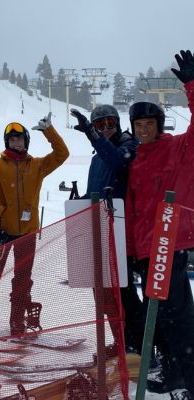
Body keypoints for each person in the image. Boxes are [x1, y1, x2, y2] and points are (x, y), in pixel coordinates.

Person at [125, 50, 194, 400]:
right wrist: (137, 254)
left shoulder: (178, 148)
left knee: (180, 320)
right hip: (149, 252)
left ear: (159, 125)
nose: (144, 131)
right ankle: (172, 372)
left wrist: (193, 86)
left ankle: (191, 379)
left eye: (149, 125)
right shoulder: (136, 162)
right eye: (138, 126)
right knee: (161, 320)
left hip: (173, 246)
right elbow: (136, 212)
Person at [0, 113, 69, 335]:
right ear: (7, 142)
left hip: (27, 234)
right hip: (1, 232)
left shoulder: (38, 165)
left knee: (22, 280)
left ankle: (17, 321)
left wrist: (49, 130)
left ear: (26, 141)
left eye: (19, 139)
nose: (16, 143)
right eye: (12, 140)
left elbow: (62, 154)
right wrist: (1, 210)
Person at [70, 105, 143, 355]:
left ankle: (138, 343)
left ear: (118, 123)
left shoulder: (129, 146)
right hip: (99, 226)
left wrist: (93, 136)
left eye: (109, 123)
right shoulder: (96, 157)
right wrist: (83, 202)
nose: (105, 129)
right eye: (99, 126)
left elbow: (119, 164)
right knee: (103, 292)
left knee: (123, 292)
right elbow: (97, 187)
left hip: (121, 229)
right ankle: (121, 340)